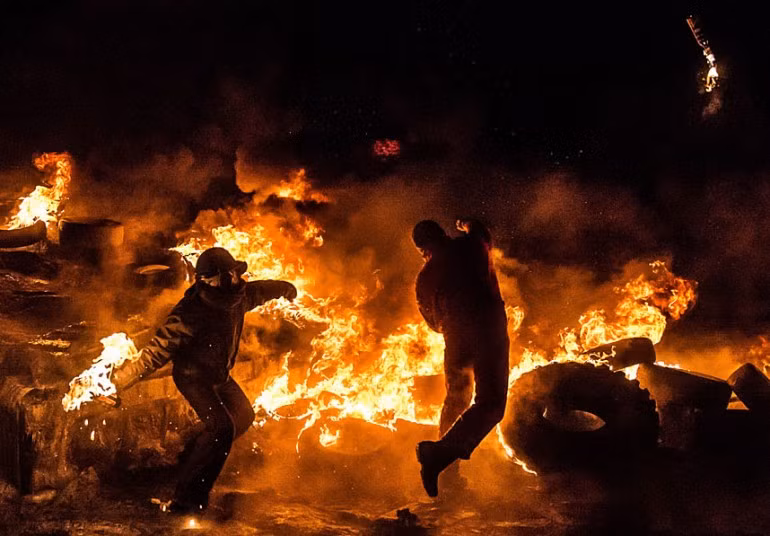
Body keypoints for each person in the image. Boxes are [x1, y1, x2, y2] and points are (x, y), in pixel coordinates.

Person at [111, 247, 298, 514]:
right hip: (193, 377)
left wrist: (285, 288)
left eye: (233, 274)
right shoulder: (190, 312)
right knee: (222, 429)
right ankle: (186, 500)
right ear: (207, 280)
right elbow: (155, 352)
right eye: (226, 276)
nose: (233, 279)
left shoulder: (238, 297)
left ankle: (188, 458)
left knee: (243, 416)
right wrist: (119, 382)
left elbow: (261, 290)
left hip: (219, 375)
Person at [412, 219, 509, 497]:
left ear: (422, 249)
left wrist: (453, 324)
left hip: (455, 337)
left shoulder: (424, 278)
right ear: (443, 234)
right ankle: (438, 455)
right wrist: (465, 223)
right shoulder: (471, 245)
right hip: (488, 328)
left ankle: (449, 476)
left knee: (456, 398)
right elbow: (482, 229)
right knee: (491, 402)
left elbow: (432, 322)